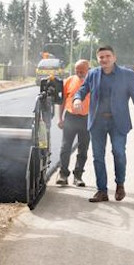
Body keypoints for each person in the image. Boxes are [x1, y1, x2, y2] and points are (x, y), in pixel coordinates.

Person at [72, 45, 134, 202]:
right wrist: (77, 99)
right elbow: (82, 89)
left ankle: (120, 184)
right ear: (98, 59)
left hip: (118, 122)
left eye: (107, 56)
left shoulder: (127, 75)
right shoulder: (93, 74)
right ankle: (102, 191)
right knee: (98, 157)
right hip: (97, 122)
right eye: (101, 57)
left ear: (114, 58)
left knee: (119, 153)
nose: (104, 59)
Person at [56, 59, 91, 187]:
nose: (79, 73)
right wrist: (60, 118)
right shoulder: (69, 81)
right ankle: (63, 174)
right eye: (77, 70)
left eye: (82, 71)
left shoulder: (93, 82)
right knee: (65, 147)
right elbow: (63, 101)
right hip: (70, 118)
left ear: (88, 70)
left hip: (86, 119)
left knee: (83, 149)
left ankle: (78, 177)